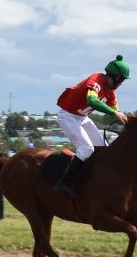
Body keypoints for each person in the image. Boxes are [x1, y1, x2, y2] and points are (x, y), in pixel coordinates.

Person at [52, 55, 129, 195]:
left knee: (102, 148)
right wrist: (113, 112)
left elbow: (116, 112)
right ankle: (64, 183)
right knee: (87, 148)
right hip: (68, 116)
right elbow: (92, 101)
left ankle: (93, 180)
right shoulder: (96, 79)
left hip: (82, 118)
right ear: (116, 77)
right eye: (121, 80)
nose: (121, 83)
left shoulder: (111, 92)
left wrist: (130, 124)